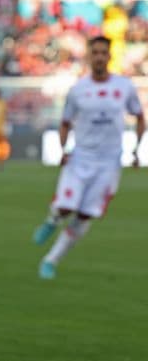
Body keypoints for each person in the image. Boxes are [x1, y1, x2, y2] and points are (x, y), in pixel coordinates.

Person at [32, 35, 144, 279]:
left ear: (110, 56)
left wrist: (136, 151)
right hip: (80, 158)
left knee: (85, 215)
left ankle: (51, 260)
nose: (100, 57)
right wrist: (62, 150)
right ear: (88, 56)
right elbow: (64, 123)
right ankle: (52, 220)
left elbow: (139, 117)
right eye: (96, 53)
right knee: (64, 207)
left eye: (104, 52)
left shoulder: (124, 87)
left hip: (109, 163)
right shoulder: (78, 90)